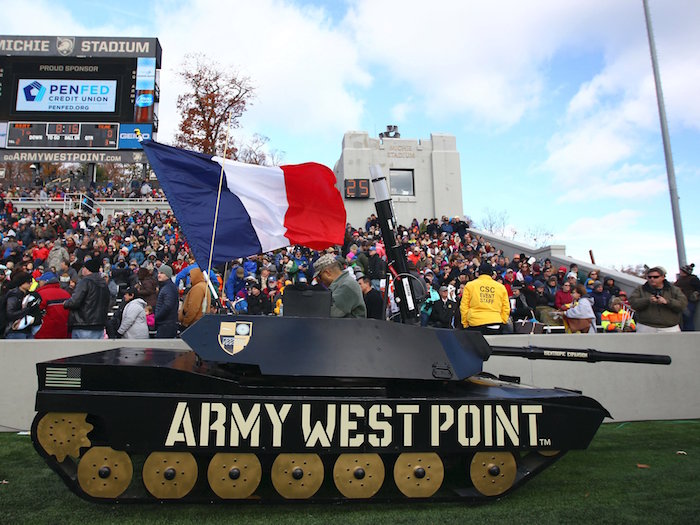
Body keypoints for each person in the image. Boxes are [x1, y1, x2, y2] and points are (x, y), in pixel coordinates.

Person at [629, 266, 687, 333]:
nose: (652, 279)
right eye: (649, 277)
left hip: (670, 328)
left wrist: (667, 302)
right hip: (646, 327)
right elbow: (633, 303)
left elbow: (682, 305)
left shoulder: (674, 290)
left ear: (662, 277)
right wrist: (647, 300)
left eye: (655, 277)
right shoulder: (640, 289)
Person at [63, 258, 110, 339]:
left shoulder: (85, 282)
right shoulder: (104, 284)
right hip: (100, 325)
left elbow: (75, 301)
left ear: (87, 269)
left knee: (80, 351)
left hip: (83, 324)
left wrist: (66, 303)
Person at [460, 261, 510, 334]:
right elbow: (506, 307)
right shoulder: (500, 287)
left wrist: (465, 323)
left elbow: (464, 306)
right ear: (492, 274)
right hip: (495, 322)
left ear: (478, 273)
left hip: (475, 322)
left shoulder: (470, 285)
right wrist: (503, 321)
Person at [313, 253, 366, 318]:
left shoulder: (347, 285)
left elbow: (329, 312)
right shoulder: (342, 283)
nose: (320, 280)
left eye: (319, 276)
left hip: (351, 327)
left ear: (327, 273)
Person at [34, 272, 71, 339]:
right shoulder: (66, 293)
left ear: (45, 282)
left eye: (40, 281)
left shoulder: (40, 294)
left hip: (44, 332)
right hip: (63, 331)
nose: (39, 283)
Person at [4, 272, 41, 339]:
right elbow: (10, 314)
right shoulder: (14, 295)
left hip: (28, 330)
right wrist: (27, 310)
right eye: (28, 282)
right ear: (21, 283)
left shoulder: (29, 295)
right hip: (15, 331)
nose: (31, 284)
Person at [155, 264, 179, 338]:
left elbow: (167, 306)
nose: (159, 275)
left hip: (166, 324)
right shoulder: (166, 287)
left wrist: (157, 317)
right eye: (158, 273)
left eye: (162, 273)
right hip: (166, 323)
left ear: (168, 275)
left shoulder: (168, 288)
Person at [674, 263, 700, 331]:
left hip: (689, 301)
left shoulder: (693, 279)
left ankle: (689, 334)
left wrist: (695, 295)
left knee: (687, 318)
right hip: (681, 300)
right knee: (682, 319)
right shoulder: (681, 279)